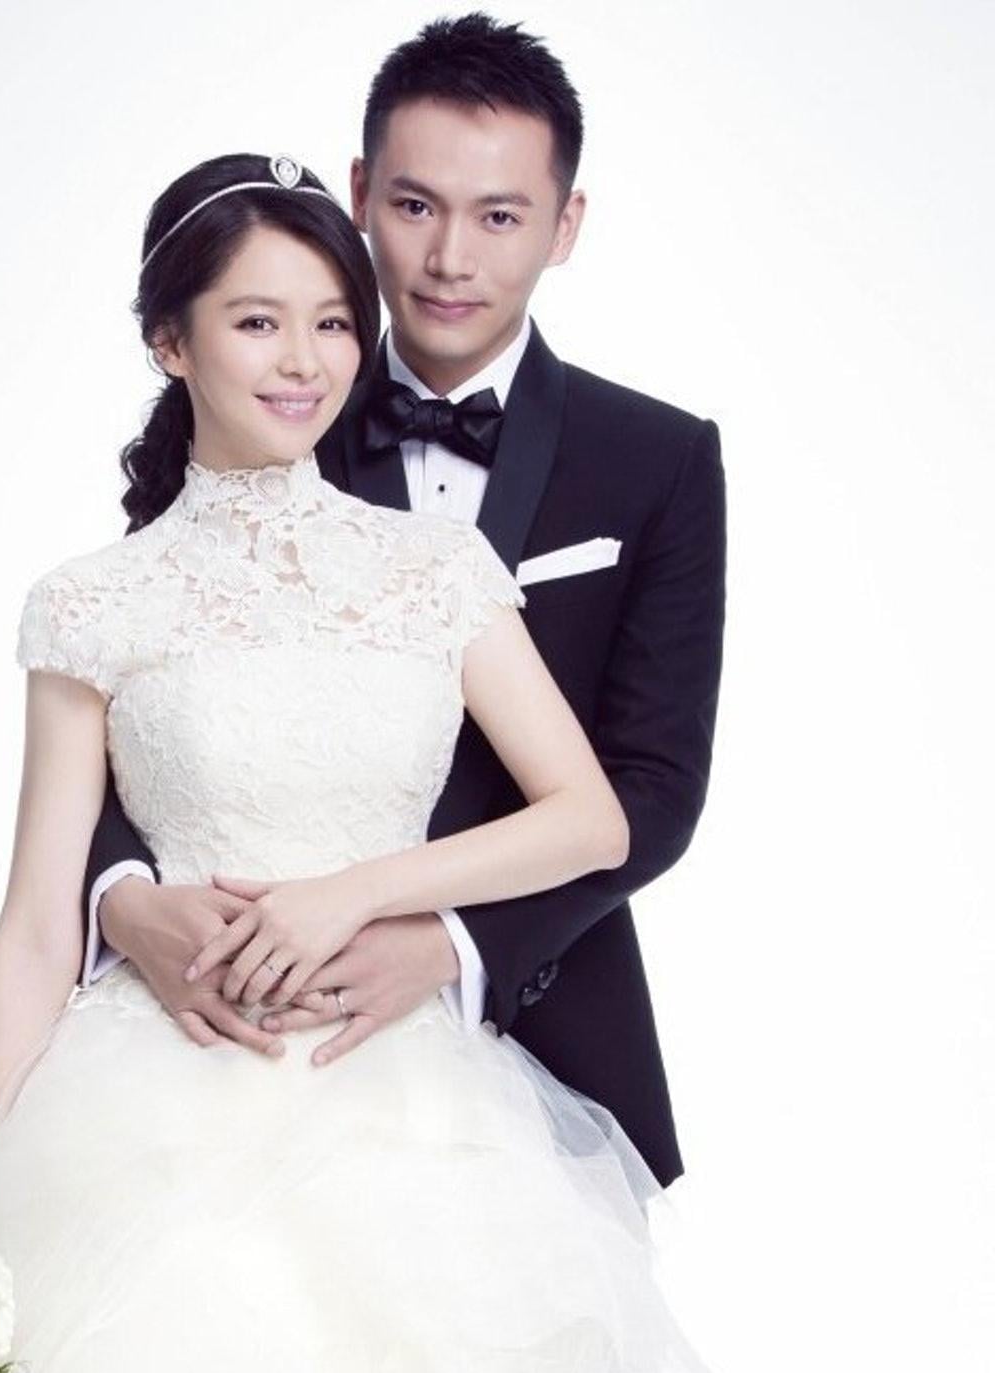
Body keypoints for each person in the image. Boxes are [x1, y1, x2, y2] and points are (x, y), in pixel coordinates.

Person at [0, 146, 768, 1373]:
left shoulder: (435, 571)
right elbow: (39, 922)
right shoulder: (92, 604)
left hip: (408, 1112)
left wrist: (356, 894)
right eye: (257, 321)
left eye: (332, 323)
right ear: (169, 341)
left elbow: (590, 815)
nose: (304, 361)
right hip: (149, 1113)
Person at [82, 14, 723, 1192]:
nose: (450, 259)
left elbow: (654, 789)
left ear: (565, 225)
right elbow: (138, 689)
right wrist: (124, 904)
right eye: (418, 206)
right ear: (363, 193)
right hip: (236, 1014)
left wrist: (445, 946)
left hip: (545, 1013)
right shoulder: (262, 407)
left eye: (501, 217)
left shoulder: (658, 460)